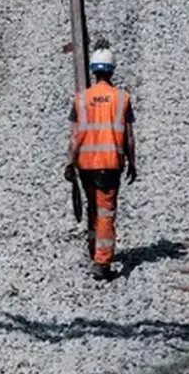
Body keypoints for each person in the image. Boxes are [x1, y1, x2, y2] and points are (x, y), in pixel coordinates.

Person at [65, 45, 137, 281]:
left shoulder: (81, 98)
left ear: (94, 71)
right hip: (110, 165)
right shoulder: (121, 99)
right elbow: (129, 136)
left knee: (93, 207)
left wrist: (69, 162)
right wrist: (133, 163)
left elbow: (75, 136)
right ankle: (102, 262)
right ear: (112, 71)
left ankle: (93, 247)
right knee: (106, 213)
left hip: (85, 164)